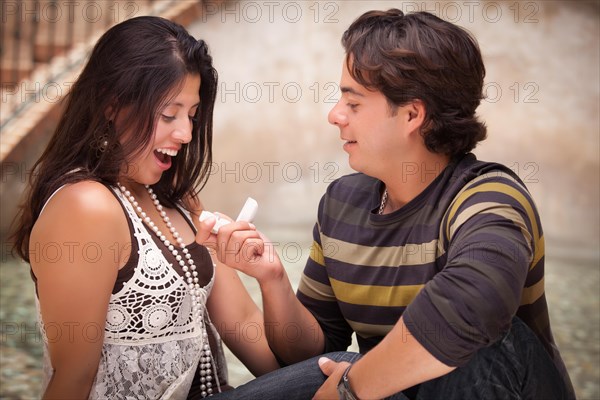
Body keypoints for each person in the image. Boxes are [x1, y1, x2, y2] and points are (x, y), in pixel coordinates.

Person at [198, 9, 576, 400]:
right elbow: (312, 355)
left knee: (486, 342)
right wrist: (272, 279)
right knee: (327, 367)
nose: (334, 115)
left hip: (502, 384)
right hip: (389, 393)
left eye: (354, 103)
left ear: (413, 114)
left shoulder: (489, 197)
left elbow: (471, 307)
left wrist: (351, 387)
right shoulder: (342, 204)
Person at [10, 16, 279, 399]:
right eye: (169, 114)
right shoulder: (86, 207)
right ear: (111, 105)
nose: (185, 134)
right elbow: (73, 379)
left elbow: (254, 337)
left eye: (192, 115)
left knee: (343, 372)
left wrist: (272, 278)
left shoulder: (176, 200)